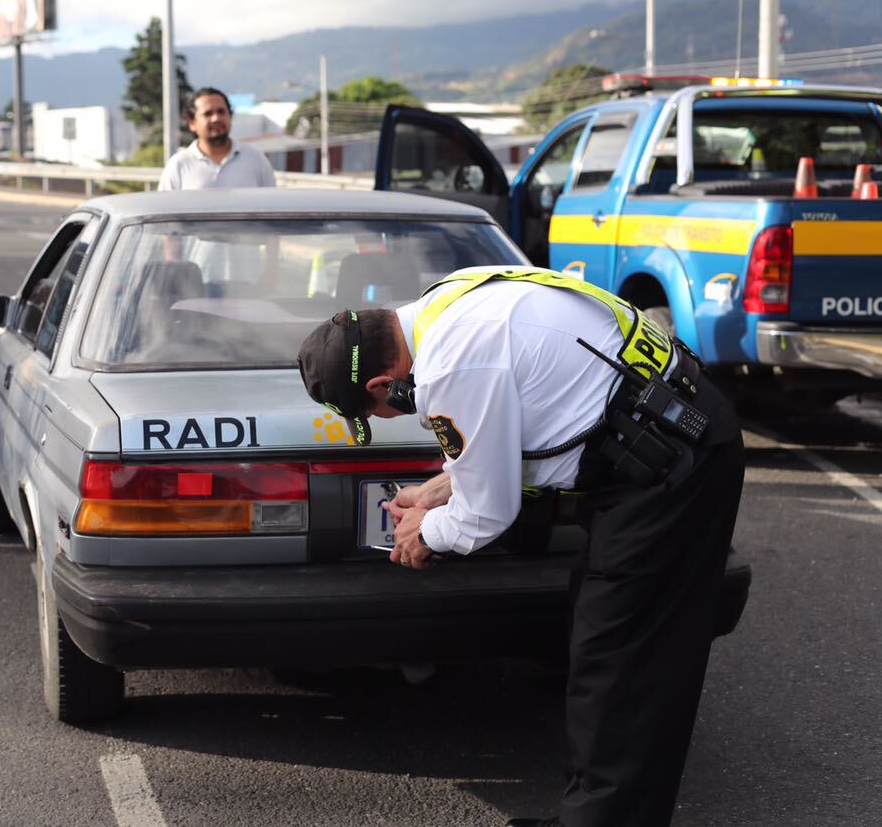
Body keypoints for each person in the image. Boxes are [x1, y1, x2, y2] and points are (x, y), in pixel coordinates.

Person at [296, 266, 745, 827]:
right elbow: (503, 435)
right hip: (660, 443)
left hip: (672, 466)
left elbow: (487, 515)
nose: (385, 418)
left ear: (381, 386)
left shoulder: (451, 365)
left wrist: (422, 534)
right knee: (600, 639)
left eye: (372, 414)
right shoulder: (447, 303)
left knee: (624, 664)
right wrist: (437, 490)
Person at [157, 87, 276, 190]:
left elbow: (271, 204)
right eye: (207, 114)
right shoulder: (180, 164)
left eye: (221, 112)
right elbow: (165, 207)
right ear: (192, 123)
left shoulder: (255, 158)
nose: (216, 118)